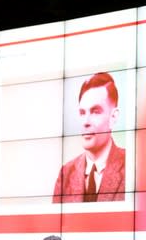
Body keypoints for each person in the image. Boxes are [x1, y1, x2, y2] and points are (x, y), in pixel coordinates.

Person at [53, 72, 125, 203]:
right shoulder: (66, 174)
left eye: (95, 112)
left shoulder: (132, 167)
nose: (85, 122)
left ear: (113, 117)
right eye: (82, 113)